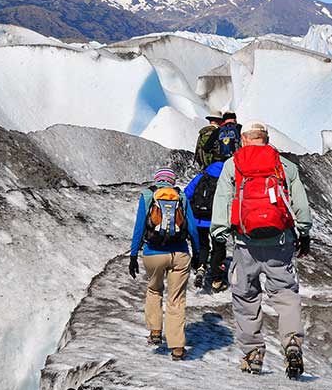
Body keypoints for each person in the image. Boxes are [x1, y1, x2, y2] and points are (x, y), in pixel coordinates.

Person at [210, 121, 312, 379]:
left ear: (243, 139)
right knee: (286, 294)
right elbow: (299, 201)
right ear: (265, 139)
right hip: (280, 241)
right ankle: (291, 342)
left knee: (246, 297)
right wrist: (304, 232)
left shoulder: (233, 165)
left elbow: (222, 199)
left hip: (246, 244)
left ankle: (253, 353)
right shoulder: (283, 165)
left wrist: (219, 237)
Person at [128, 167, 199, 361]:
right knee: (176, 300)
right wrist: (198, 253)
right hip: (179, 254)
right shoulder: (181, 196)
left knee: (154, 290)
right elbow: (191, 227)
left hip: (153, 253)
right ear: (172, 181)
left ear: (157, 180)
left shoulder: (147, 195)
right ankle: (177, 348)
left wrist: (134, 255)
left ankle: (156, 332)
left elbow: (139, 226)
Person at [183, 160, 229, 293]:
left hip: (199, 218)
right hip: (217, 220)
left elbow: (187, 194)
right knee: (218, 248)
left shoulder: (200, 178)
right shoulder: (225, 179)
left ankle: (201, 267)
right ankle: (216, 280)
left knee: (203, 245)